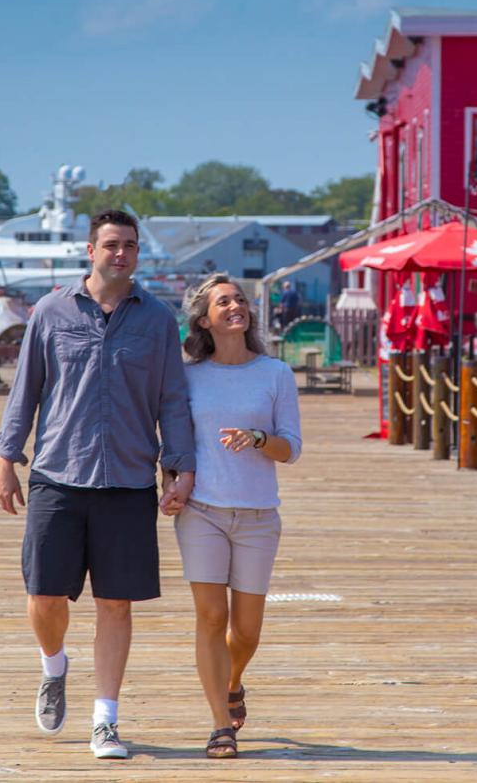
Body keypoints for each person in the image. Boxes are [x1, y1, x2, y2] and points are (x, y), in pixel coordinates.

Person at [0, 210, 195, 759]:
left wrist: (179, 466)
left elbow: (172, 399)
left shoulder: (157, 319)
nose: (121, 254)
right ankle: (53, 666)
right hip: (57, 474)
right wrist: (6, 457)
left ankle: (105, 719)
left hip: (129, 479)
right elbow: (26, 391)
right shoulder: (51, 311)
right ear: (91, 251)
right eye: (111, 245)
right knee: (43, 594)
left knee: (116, 604)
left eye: (130, 245)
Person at [162, 273, 301, 759]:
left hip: (260, 516)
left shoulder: (276, 374)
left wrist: (259, 439)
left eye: (239, 299)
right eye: (224, 301)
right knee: (210, 616)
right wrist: (170, 480)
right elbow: (175, 442)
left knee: (245, 631)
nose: (235, 306)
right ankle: (220, 724)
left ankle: (233, 679)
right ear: (204, 319)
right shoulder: (186, 376)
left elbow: (292, 449)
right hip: (203, 513)